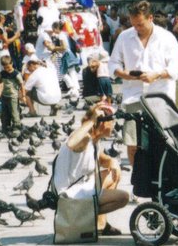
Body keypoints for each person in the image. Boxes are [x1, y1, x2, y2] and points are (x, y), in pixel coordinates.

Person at [109, 0, 178, 170]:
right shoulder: (124, 37)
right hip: (132, 98)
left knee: (161, 141)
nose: (137, 28)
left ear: (150, 18)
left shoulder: (166, 38)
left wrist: (157, 74)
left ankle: (160, 180)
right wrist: (124, 74)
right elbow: (113, 64)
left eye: (140, 24)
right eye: (133, 24)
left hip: (159, 98)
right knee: (133, 143)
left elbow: (177, 68)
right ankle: (138, 182)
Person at [53, 101, 129, 236]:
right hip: (70, 194)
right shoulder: (84, 138)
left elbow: (100, 158)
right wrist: (93, 119)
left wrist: (113, 161)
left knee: (112, 174)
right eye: (111, 121)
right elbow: (71, 143)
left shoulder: (94, 141)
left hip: (80, 189)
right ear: (102, 123)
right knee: (123, 197)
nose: (113, 125)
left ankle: (101, 223)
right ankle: (82, 216)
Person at [0, 54, 23, 134]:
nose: (7, 69)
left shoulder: (16, 74)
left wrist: (22, 95)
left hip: (13, 96)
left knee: (14, 112)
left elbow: (21, 84)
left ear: (12, 63)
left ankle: (17, 128)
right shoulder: (2, 73)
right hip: (4, 96)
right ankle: (5, 128)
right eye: (5, 67)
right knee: (4, 114)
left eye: (8, 67)